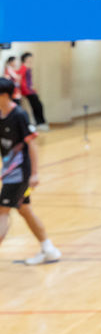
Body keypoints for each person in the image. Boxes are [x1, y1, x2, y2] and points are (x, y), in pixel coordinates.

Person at [0, 77, 59, 264]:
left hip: (20, 173)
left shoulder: (19, 115)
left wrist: (34, 173)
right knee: (25, 210)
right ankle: (49, 249)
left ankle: (49, 249)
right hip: (9, 173)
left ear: (5, 95)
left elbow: (32, 144)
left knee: (2, 211)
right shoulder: (0, 115)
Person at [17, 53, 45, 130]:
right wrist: (23, 89)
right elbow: (20, 78)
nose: (31, 59)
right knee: (37, 106)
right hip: (26, 90)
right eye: (30, 58)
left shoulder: (27, 67)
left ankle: (40, 123)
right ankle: (40, 123)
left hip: (30, 90)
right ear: (26, 58)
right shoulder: (23, 67)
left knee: (38, 106)